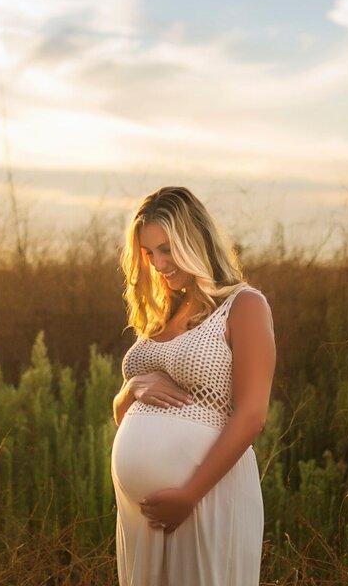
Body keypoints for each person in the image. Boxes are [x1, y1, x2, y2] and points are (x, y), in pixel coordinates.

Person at [109, 186, 275, 585]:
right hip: (143, 515)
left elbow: (252, 415)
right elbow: (121, 416)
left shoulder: (244, 305)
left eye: (166, 249)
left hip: (206, 497)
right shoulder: (163, 314)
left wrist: (189, 495)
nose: (159, 264)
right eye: (149, 254)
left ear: (195, 239)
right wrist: (132, 390)